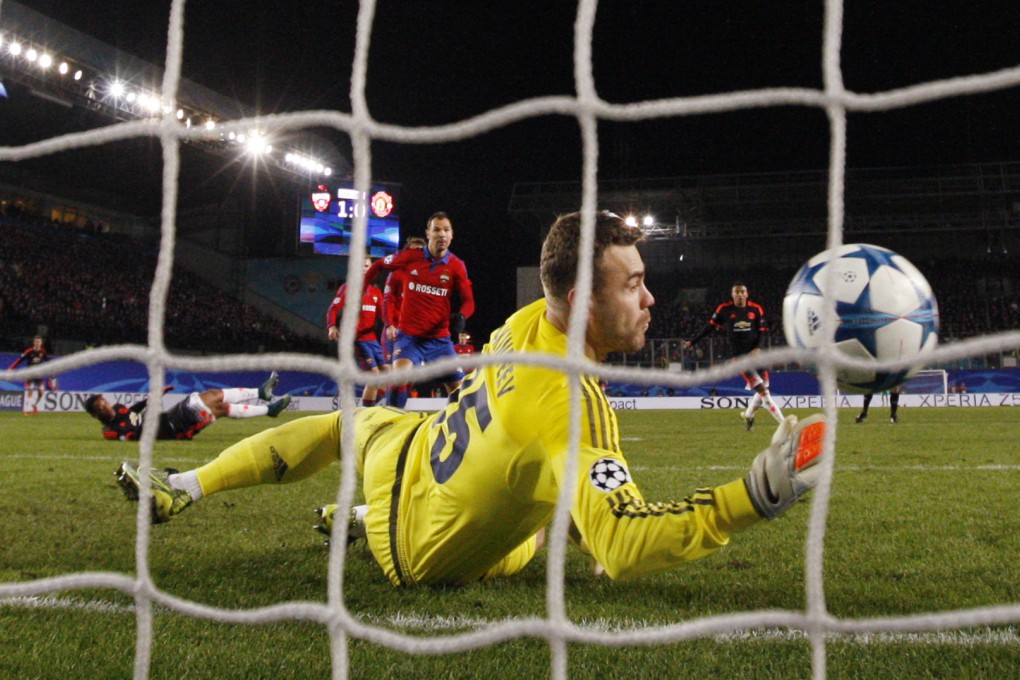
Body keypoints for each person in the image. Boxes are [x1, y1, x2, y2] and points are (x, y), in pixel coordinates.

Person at [114, 211, 826, 586]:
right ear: (581, 303)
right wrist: (752, 497)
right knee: (542, 519)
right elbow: (629, 546)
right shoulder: (572, 408)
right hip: (427, 556)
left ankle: (185, 485)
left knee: (347, 423)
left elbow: (499, 389)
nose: (651, 296)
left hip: (413, 459)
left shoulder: (523, 325)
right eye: (634, 283)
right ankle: (359, 519)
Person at [362, 212, 474, 407]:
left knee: (461, 393)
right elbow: (379, 265)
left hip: (439, 339)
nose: (442, 234)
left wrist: (462, 317)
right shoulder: (409, 258)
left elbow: (468, 301)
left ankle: (457, 431)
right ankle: (390, 424)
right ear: (428, 233)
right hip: (409, 338)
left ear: (452, 235)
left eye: (446, 230)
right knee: (399, 379)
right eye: (437, 230)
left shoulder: (456, 265)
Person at [683, 283, 783, 431]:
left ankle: (748, 415)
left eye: (743, 291)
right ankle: (784, 424)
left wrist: (758, 348)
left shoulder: (756, 309)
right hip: (741, 359)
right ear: (732, 295)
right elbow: (709, 327)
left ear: (747, 294)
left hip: (757, 357)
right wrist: (693, 341)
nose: (740, 294)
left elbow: (762, 331)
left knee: (764, 389)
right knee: (764, 392)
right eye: (737, 292)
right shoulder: (724, 309)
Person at [86, 372, 290, 441]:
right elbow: (132, 434)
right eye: (100, 407)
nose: (105, 406)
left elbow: (133, 410)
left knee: (212, 398)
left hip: (169, 417)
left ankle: (261, 396)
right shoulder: (110, 431)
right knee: (215, 406)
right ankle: (267, 406)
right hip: (173, 428)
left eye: (103, 401)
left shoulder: (120, 408)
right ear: (96, 415)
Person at [326, 256, 387, 407]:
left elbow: (385, 316)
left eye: (366, 266)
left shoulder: (375, 292)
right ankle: (367, 411)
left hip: (373, 340)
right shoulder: (347, 289)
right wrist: (332, 326)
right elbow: (333, 309)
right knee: (374, 376)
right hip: (357, 339)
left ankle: (369, 408)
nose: (363, 269)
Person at [380, 236, 426, 404]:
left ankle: (399, 409)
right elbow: (387, 300)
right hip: (397, 331)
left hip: (417, 333)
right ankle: (391, 413)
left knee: (410, 377)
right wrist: (389, 325)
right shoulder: (396, 272)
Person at [7, 335, 55, 415]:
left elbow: (48, 362)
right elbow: (19, 360)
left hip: (39, 374)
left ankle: (33, 405)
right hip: (29, 373)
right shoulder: (28, 351)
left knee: (41, 392)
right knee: (30, 391)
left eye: (39, 342)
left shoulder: (43, 352)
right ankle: (27, 410)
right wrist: (11, 368)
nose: (37, 343)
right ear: (33, 343)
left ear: (41, 343)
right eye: (36, 342)